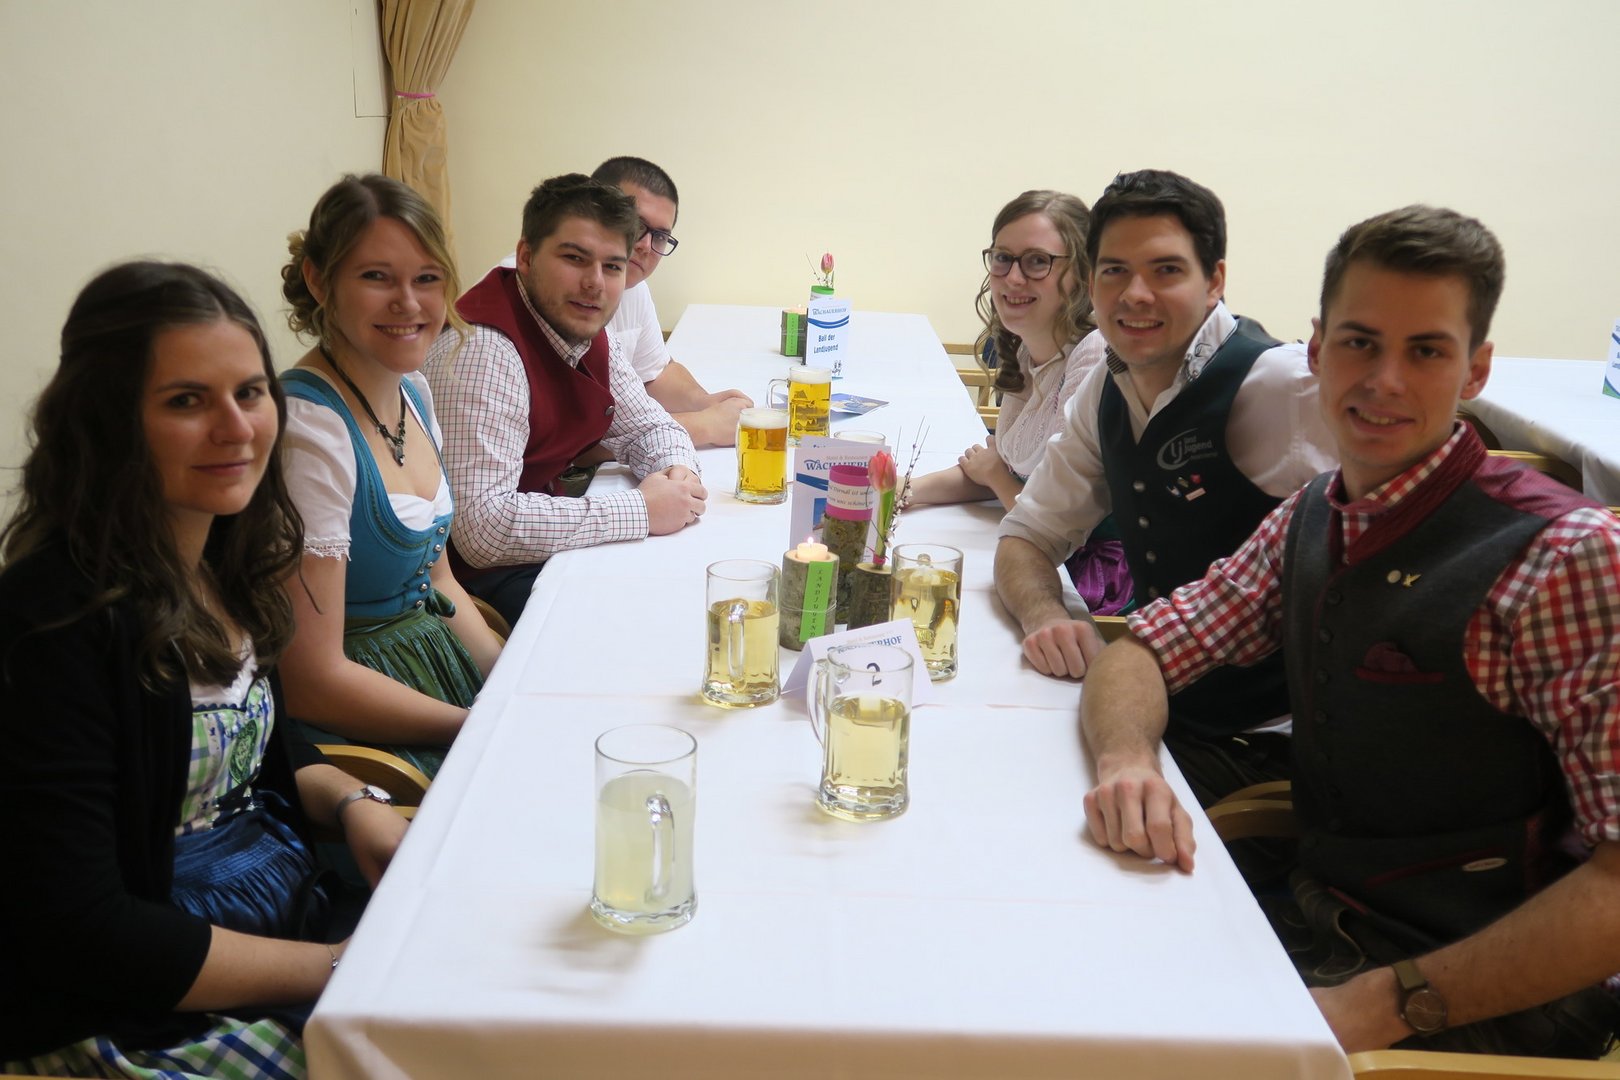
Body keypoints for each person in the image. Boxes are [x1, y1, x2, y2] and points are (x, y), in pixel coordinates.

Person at [1080, 206, 1620, 1059]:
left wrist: (1391, 1004)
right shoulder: (1313, 514)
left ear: (1476, 369)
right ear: (1316, 350)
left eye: (1427, 351)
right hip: (1325, 924)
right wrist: (1126, 762)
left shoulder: (1566, 556)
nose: (1385, 380)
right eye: (1361, 343)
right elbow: (1143, 648)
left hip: (1479, 994)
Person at [0, 262, 406, 1077]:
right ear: (108, 423)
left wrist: (355, 803)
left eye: (250, 393)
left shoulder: (224, 562)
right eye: (187, 401)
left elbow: (259, 761)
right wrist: (342, 967)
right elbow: (85, 929)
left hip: (282, 933)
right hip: (138, 1008)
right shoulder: (49, 623)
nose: (237, 429)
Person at [994, 169, 1336, 805]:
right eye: (1114, 271)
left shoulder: (1282, 386)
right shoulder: (1106, 384)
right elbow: (1029, 533)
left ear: (1215, 281)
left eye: (1166, 270)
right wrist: (1045, 614)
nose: (1135, 294)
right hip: (1151, 704)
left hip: (1262, 745)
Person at [277, 174, 503, 781]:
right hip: (360, 727)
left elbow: (440, 581)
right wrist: (478, 727)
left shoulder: (414, 393)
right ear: (319, 281)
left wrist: (511, 686)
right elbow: (313, 682)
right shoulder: (309, 432)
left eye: (427, 278)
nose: (409, 302)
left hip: (438, 675)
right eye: (377, 277)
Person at [425, 173, 707, 628]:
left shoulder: (581, 323)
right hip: (477, 587)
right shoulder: (484, 350)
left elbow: (649, 426)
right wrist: (641, 509)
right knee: (650, 619)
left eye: (612, 266)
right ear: (525, 257)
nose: (595, 283)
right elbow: (482, 531)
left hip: (541, 543)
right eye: (575, 259)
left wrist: (677, 473)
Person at [905, 190, 1131, 614]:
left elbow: (1051, 520)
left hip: (1089, 575)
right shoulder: (1027, 348)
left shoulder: (1094, 355)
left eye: (1037, 261)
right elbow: (1000, 470)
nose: (1012, 277)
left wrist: (995, 476)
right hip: (1031, 546)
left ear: (1082, 272)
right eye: (1003, 258)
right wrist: (900, 492)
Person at [591, 156, 753, 448]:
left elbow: (655, 372)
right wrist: (705, 425)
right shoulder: (557, 288)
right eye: (636, 224)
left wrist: (706, 403)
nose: (645, 245)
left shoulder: (633, 286)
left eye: (660, 236)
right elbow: (575, 436)